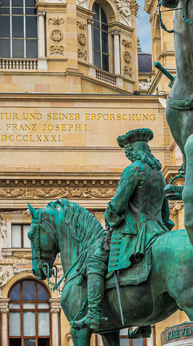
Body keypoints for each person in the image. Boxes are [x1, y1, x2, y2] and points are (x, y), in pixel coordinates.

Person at [72, 128, 173, 330]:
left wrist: (110, 214)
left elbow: (118, 204)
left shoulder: (133, 170)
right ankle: (144, 320)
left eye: (127, 148)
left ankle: (93, 313)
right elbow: (165, 211)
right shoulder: (159, 174)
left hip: (135, 233)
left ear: (133, 149)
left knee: (95, 261)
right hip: (159, 229)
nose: (126, 152)